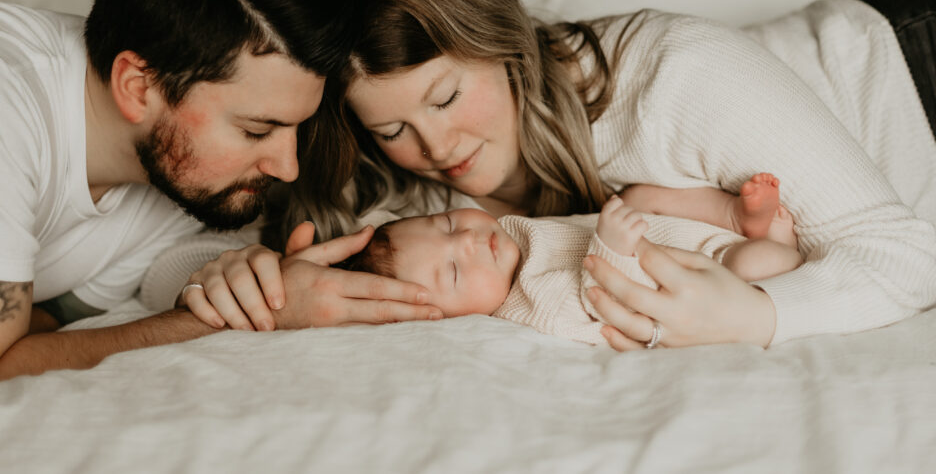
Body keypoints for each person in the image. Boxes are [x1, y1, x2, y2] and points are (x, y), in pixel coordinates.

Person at [169, 0, 936, 352]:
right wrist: (234, 275)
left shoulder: (670, 76)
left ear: (502, 39)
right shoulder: (400, 190)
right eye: (395, 126)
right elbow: (165, 258)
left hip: (912, 68)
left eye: (446, 96)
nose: (438, 148)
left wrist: (756, 316)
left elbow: (903, 254)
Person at [0, 0, 439, 390]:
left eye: (296, 127)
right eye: (257, 130)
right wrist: (253, 318)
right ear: (137, 87)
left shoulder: (181, 180)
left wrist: (245, 289)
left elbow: (45, 328)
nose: (286, 167)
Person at [340, 175, 802, 345]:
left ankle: (733, 214)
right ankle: (776, 246)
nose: (467, 241)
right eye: (455, 271)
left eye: (445, 223)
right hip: (705, 281)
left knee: (639, 194)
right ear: (442, 318)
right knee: (751, 268)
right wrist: (612, 249)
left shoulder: (509, 237)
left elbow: (381, 224)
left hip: (674, 233)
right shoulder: (527, 305)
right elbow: (596, 303)